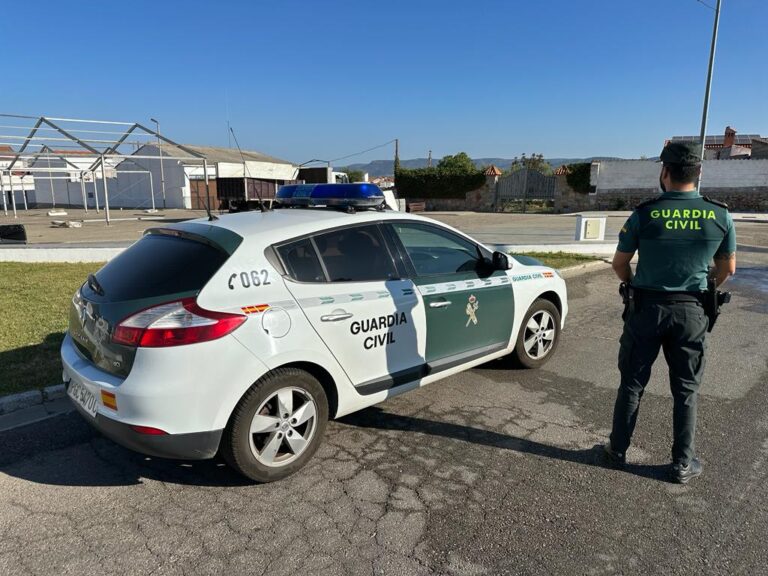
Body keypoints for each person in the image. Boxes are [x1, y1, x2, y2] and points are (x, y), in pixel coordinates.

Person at [603, 141, 736, 484]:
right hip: (692, 311)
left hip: (646, 308)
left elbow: (619, 264)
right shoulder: (719, 215)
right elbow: (727, 269)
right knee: (686, 389)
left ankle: (617, 451)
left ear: (664, 172)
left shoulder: (645, 213)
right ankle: (682, 464)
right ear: (699, 172)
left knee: (632, 383)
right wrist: (704, 285)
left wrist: (632, 283)